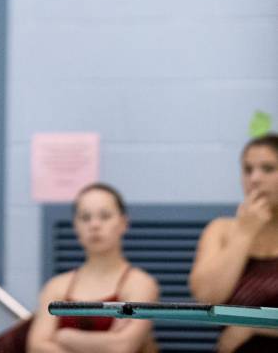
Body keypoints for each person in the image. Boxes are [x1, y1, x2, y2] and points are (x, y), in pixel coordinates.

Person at [26, 184, 159, 353]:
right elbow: (37, 346)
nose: (94, 225)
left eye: (105, 216)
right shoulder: (56, 286)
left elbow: (121, 346)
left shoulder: (140, 284)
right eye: (85, 217)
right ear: (76, 226)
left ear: (123, 223)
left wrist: (65, 336)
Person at [190, 133, 278, 353]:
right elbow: (206, 296)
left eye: (268, 169)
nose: (255, 179)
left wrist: (252, 325)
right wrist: (244, 234)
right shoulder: (220, 230)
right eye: (248, 170)